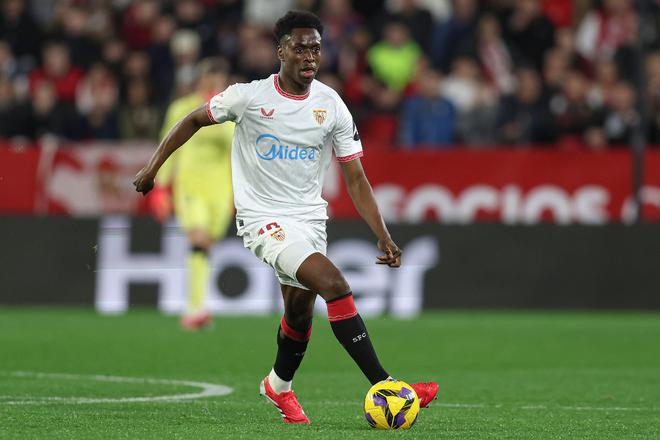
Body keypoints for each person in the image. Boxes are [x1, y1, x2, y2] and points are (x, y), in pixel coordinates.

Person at [133, 10, 438, 424]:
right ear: (281, 51)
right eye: (300, 48)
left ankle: (278, 385)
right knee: (335, 284)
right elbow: (192, 120)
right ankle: (389, 385)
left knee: (298, 313)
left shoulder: (331, 104)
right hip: (263, 221)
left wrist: (382, 234)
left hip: (310, 220)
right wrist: (152, 170)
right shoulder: (249, 97)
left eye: (316, 48)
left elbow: (356, 177)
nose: (309, 55)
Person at [148, 57, 235, 330]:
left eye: (220, 80)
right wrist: (160, 186)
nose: (214, 84)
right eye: (210, 78)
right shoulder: (182, 108)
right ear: (200, 79)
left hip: (221, 189)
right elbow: (167, 147)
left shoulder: (231, 111)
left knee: (206, 245)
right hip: (190, 185)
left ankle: (197, 306)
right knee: (198, 238)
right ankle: (194, 310)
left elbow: (236, 148)